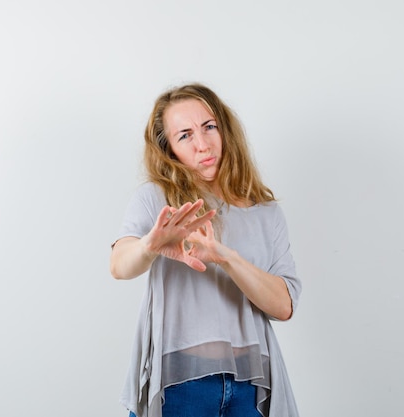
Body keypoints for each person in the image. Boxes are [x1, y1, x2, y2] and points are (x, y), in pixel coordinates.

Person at [110, 83, 302, 417]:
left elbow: (283, 305)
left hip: (251, 389)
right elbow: (119, 264)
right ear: (168, 148)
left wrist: (225, 257)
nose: (202, 144)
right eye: (184, 135)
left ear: (225, 129)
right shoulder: (157, 199)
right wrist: (150, 245)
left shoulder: (265, 212)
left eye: (209, 127)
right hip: (179, 388)